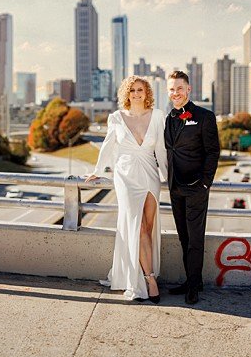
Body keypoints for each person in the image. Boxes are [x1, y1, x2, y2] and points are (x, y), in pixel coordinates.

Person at [84, 76, 165, 302]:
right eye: (132, 90)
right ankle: (149, 280)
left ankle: (144, 270)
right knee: (137, 227)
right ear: (126, 94)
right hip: (126, 175)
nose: (136, 94)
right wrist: (98, 171)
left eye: (140, 90)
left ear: (147, 92)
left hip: (150, 173)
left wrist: (168, 176)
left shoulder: (157, 116)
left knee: (147, 227)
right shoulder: (117, 118)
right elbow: (108, 146)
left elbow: (161, 150)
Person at [162, 69, 219, 304]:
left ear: (189, 90)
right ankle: (191, 279)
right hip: (175, 188)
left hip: (196, 187)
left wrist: (205, 184)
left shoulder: (205, 116)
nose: (175, 93)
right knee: (184, 237)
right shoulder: (169, 118)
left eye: (179, 88)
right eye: (171, 89)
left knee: (195, 239)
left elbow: (213, 152)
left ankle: (194, 286)